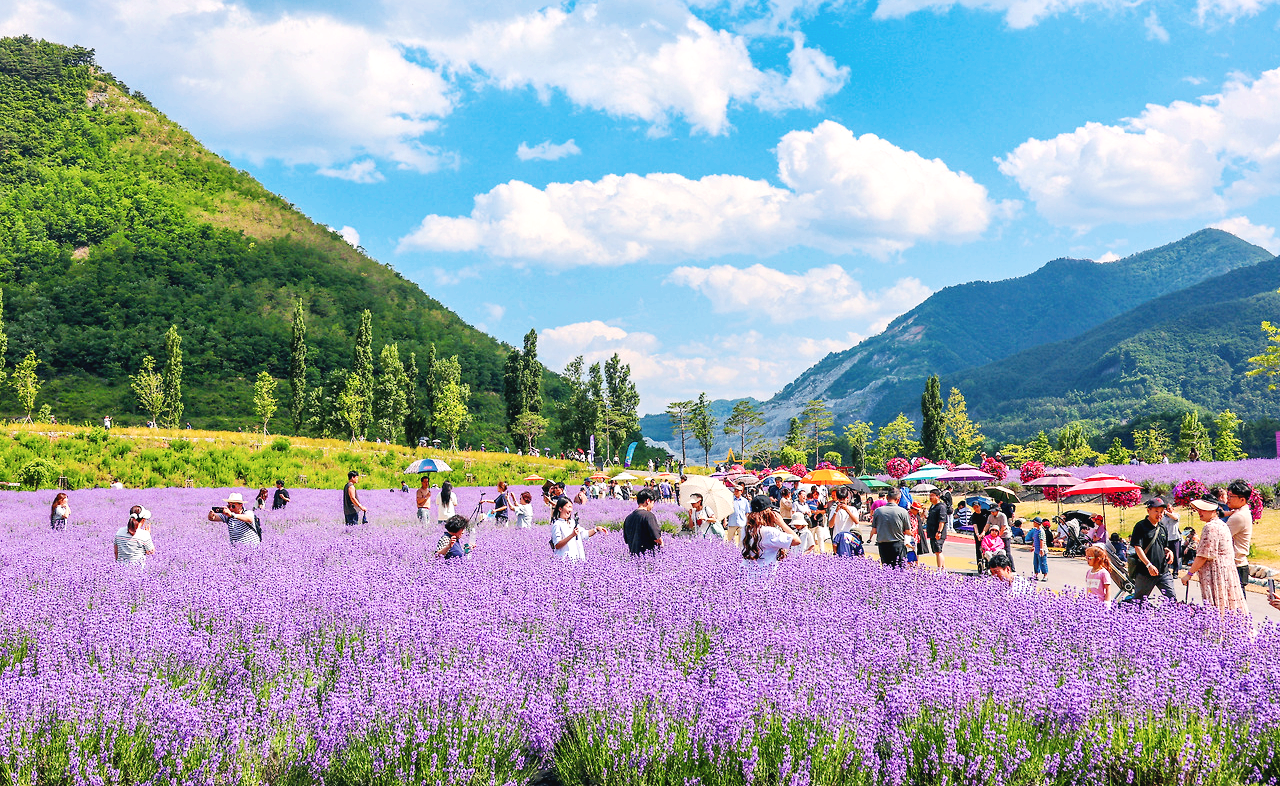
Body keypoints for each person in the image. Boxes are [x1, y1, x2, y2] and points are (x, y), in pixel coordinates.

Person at [1182, 497, 1247, 613]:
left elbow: (1203, 555)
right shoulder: (1222, 525)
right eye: (1199, 509)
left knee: (1217, 606)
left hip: (1215, 573)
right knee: (1228, 605)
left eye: (1203, 510)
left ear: (1213, 511)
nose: (1199, 512)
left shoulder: (1210, 527)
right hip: (1227, 571)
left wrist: (1189, 574)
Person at [1124, 498, 1175, 603]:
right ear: (1148, 510)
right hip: (1145, 572)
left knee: (1172, 599)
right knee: (1139, 601)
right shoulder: (1140, 526)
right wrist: (1148, 565)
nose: (1159, 514)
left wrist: (1169, 551)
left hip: (1163, 571)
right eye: (1156, 511)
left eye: (1161, 512)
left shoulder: (1162, 527)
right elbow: (1138, 547)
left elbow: (1164, 546)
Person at [741, 495, 801, 578]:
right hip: (765, 578)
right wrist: (782, 523)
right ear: (767, 513)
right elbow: (797, 540)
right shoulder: (769, 532)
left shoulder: (746, 529)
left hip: (746, 576)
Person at [870, 488, 910, 568]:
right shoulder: (903, 512)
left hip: (883, 545)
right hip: (897, 544)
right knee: (899, 568)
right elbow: (908, 531)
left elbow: (874, 531)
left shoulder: (878, 511)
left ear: (887, 497)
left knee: (886, 568)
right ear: (898, 500)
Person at [1225, 480, 1253, 592]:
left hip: (1235, 565)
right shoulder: (1242, 512)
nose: (1228, 499)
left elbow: (1219, 536)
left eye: (1231, 496)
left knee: (1235, 606)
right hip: (1240, 564)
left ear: (1242, 499)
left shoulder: (1239, 516)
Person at [623, 488, 663, 556]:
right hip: (647, 556)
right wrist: (661, 543)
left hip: (633, 558)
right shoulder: (649, 516)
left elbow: (626, 540)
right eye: (653, 503)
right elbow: (656, 538)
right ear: (648, 501)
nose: (652, 506)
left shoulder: (628, 518)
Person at [829, 487, 859, 557]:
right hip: (838, 538)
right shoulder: (834, 510)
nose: (842, 501)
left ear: (847, 498)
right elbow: (830, 525)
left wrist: (847, 510)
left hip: (850, 538)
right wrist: (836, 511)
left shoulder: (853, 509)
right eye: (840, 499)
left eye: (843, 499)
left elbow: (856, 521)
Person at [923, 489, 947, 569]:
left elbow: (942, 521)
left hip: (938, 532)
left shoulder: (941, 507)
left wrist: (939, 531)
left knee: (938, 550)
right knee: (936, 551)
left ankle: (940, 568)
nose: (930, 497)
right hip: (932, 531)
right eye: (930, 496)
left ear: (938, 497)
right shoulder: (932, 506)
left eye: (932, 496)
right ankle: (942, 568)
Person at [1027, 514, 1047, 582]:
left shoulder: (1041, 531)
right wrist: (1033, 546)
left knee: (1042, 563)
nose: (1033, 524)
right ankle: (1036, 575)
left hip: (1041, 550)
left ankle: (1045, 575)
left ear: (1037, 523)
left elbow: (1041, 540)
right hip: (1036, 550)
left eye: (1034, 522)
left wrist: (1041, 549)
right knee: (1036, 563)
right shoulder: (1035, 530)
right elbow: (1035, 539)